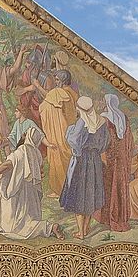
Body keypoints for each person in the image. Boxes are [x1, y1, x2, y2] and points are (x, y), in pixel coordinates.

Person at [0, 122, 53, 238]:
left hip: (18, 195)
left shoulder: (22, 150)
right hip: (30, 197)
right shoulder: (36, 153)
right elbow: (15, 162)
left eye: (26, 133)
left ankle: (47, 227)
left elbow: (7, 165)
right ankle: (47, 227)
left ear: (28, 137)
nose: (23, 134)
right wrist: (7, 147)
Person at [60, 98, 108, 239]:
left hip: (82, 161)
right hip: (95, 161)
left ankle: (81, 232)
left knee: (80, 196)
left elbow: (73, 140)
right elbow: (105, 143)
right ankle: (85, 229)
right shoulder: (101, 122)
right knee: (90, 196)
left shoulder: (82, 122)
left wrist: (70, 131)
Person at [38, 68, 78, 196]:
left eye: (57, 80)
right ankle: (70, 188)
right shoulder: (72, 93)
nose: (55, 82)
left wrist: (38, 86)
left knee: (58, 157)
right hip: (70, 130)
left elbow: (44, 107)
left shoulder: (58, 93)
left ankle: (60, 189)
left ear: (62, 81)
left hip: (59, 131)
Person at [98, 91, 133, 233]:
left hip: (109, 158)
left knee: (108, 185)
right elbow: (129, 141)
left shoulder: (105, 118)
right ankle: (120, 217)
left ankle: (108, 217)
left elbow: (101, 140)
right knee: (119, 186)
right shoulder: (123, 118)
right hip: (122, 159)